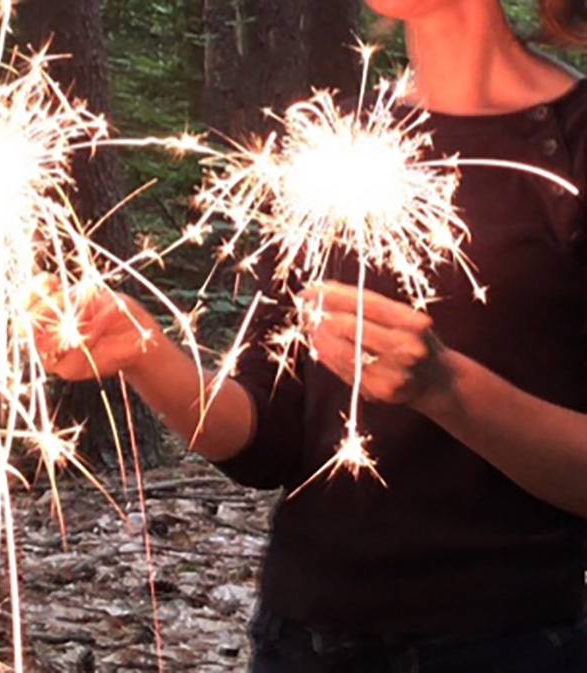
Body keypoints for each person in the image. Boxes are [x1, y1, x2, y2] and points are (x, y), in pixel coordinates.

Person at [36, 1, 587, 671]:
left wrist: (448, 389)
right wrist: (144, 350)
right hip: (304, 637)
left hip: (512, 642)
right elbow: (266, 439)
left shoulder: (573, 145)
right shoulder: (342, 150)